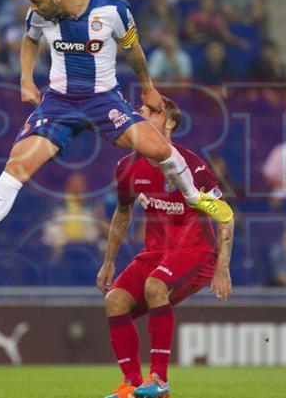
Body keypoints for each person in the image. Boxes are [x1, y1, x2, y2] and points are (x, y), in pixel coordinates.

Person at [0, 0, 233, 268]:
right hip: (59, 104)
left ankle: (195, 198)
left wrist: (147, 87)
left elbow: (133, 50)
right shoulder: (39, 15)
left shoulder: (112, 11)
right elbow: (30, 40)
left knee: (159, 149)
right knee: (17, 165)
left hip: (103, 102)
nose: (31, 6)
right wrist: (26, 79)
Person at [96, 96, 234, 398]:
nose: (140, 115)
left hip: (196, 252)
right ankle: (132, 386)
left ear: (169, 122)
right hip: (157, 252)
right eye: (139, 111)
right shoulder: (127, 167)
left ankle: (159, 379)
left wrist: (222, 268)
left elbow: (225, 217)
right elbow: (122, 212)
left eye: (149, 111)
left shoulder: (193, 166)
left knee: (155, 285)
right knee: (114, 300)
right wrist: (109, 261)